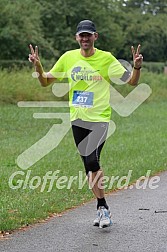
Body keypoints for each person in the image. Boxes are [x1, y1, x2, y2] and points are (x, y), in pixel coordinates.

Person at [28, 20, 143, 228]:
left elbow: (132, 82)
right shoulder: (68, 58)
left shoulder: (106, 58)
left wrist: (136, 67)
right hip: (77, 120)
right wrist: (38, 66)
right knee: (88, 167)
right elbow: (45, 81)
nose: (85, 39)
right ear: (76, 38)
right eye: (81, 35)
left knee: (92, 161)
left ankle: (103, 208)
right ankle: (102, 207)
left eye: (88, 35)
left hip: (99, 120)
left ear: (95, 37)